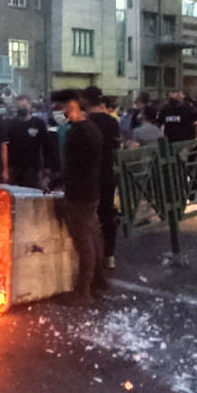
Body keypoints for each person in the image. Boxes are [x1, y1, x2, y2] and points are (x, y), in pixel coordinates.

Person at [50, 89, 107, 303]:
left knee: (83, 242)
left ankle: (83, 291)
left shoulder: (79, 133)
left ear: (70, 106)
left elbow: (75, 167)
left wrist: (59, 184)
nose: (56, 113)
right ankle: (99, 280)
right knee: (93, 236)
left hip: (79, 194)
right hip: (90, 190)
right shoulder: (91, 128)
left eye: (58, 108)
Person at [81, 87, 121, 269]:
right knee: (107, 214)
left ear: (86, 101)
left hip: (89, 175)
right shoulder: (112, 122)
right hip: (107, 173)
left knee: (87, 217)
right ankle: (109, 255)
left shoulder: (85, 122)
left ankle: (91, 258)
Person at [6, 95, 50, 188]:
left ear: (30, 106)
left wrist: (47, 167)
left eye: (24, 105)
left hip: (33, 167)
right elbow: (6, 147)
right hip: (15, 167)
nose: (22, 108)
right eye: (19, 106)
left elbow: (46, 145)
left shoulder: (38, 123)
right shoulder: (11, 124)